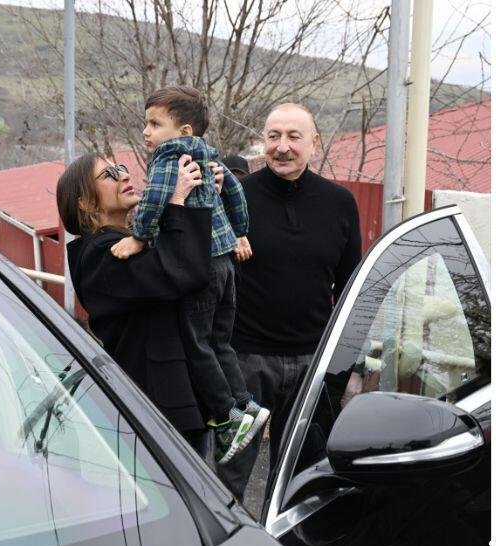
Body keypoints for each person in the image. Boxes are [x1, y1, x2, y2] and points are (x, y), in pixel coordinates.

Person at [110, 86, 266, 464]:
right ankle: (246, 404)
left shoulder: (169, 158)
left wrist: (138, 236)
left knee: (196, 343)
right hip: (226, 261)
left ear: (183, 131)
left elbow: (154, 200)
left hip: (203, 264)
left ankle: (228, 418)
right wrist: (240, 231)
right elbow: (237, 195)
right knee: (220, 341)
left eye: (155, 124)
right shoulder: (210, 155)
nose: (146, 132)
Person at [218, 103, 362, 499]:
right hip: (241, 363)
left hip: (312, 365)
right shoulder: (235, 198)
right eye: (273, 136)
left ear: (314, 143)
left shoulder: (339, 203)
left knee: (299, 481)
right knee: (225, 476)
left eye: (293, 137)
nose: (282, 147)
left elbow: (351, 290)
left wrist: (351, 365)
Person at [58, 152, 214, 456]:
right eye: (108, 175)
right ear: (85, 203)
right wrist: (178, 201)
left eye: (121, 169)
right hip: (159, 413)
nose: (125, 176)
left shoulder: (125, 244)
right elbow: (185, 273)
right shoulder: (100, 256)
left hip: (172, 407)